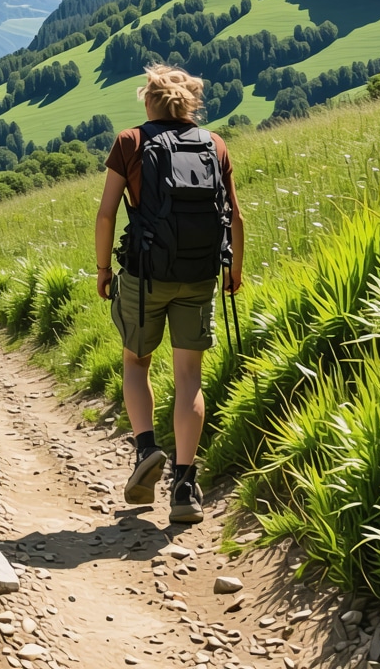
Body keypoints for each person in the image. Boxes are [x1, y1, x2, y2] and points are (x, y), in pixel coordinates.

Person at [95, 63, 244, 523]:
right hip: (199, 276)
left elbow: (106, 215)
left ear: (149, 101)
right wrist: (233, 270)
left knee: (136, 362)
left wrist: (103, 268)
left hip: (145, 276)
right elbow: (235, 218)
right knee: (189, 378)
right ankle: (185, 485)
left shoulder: (131, 142)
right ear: (191, 104)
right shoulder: (214, 145)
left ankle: (145, 448)